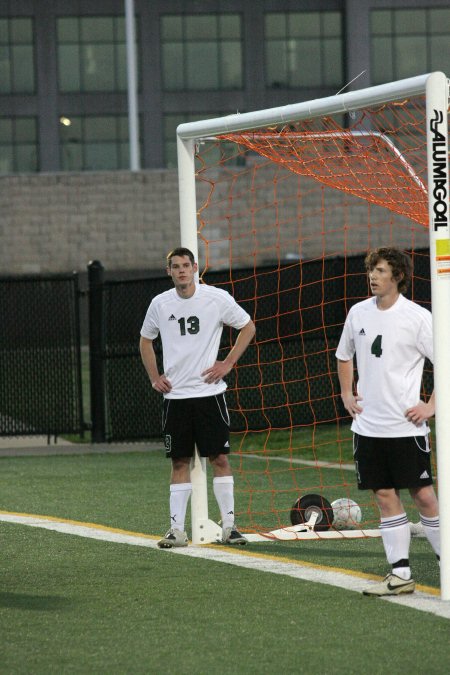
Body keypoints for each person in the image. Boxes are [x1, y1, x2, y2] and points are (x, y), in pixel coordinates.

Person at [336, 246, 440, 596]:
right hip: (368, 427)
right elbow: (343, 355)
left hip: (405, 427)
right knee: (383, 496)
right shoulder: (357, 312)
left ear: (398, 276)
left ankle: (447, 564)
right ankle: (400, 574)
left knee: (424, 496)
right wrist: (347, 394)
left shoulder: (417, 317)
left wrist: (431, 406)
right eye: (371, 271)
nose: (372, 277)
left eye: (380, 271)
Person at [140, 247, 256, 548]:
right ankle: (177, 531)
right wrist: (155, 377)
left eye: (186, 265)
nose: (181, 271)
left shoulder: (215, 298)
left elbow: (247, 326)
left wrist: (227, 363)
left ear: (195, 268)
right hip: (176, 397)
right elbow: (145, 340)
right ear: (169, 271)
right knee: (179, 461)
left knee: (220, 458)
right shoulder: (160, 304)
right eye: (175, 266)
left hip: (209, 394)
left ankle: (230, 527)